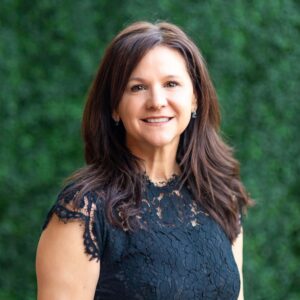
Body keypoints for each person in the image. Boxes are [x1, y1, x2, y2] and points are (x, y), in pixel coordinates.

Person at [36, 21, 252, 300]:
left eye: (171, 84)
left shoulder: (222, 197)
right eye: (137, 88)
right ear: (114, 107)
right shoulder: (84, 211)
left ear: (195, 98)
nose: (157, 101)